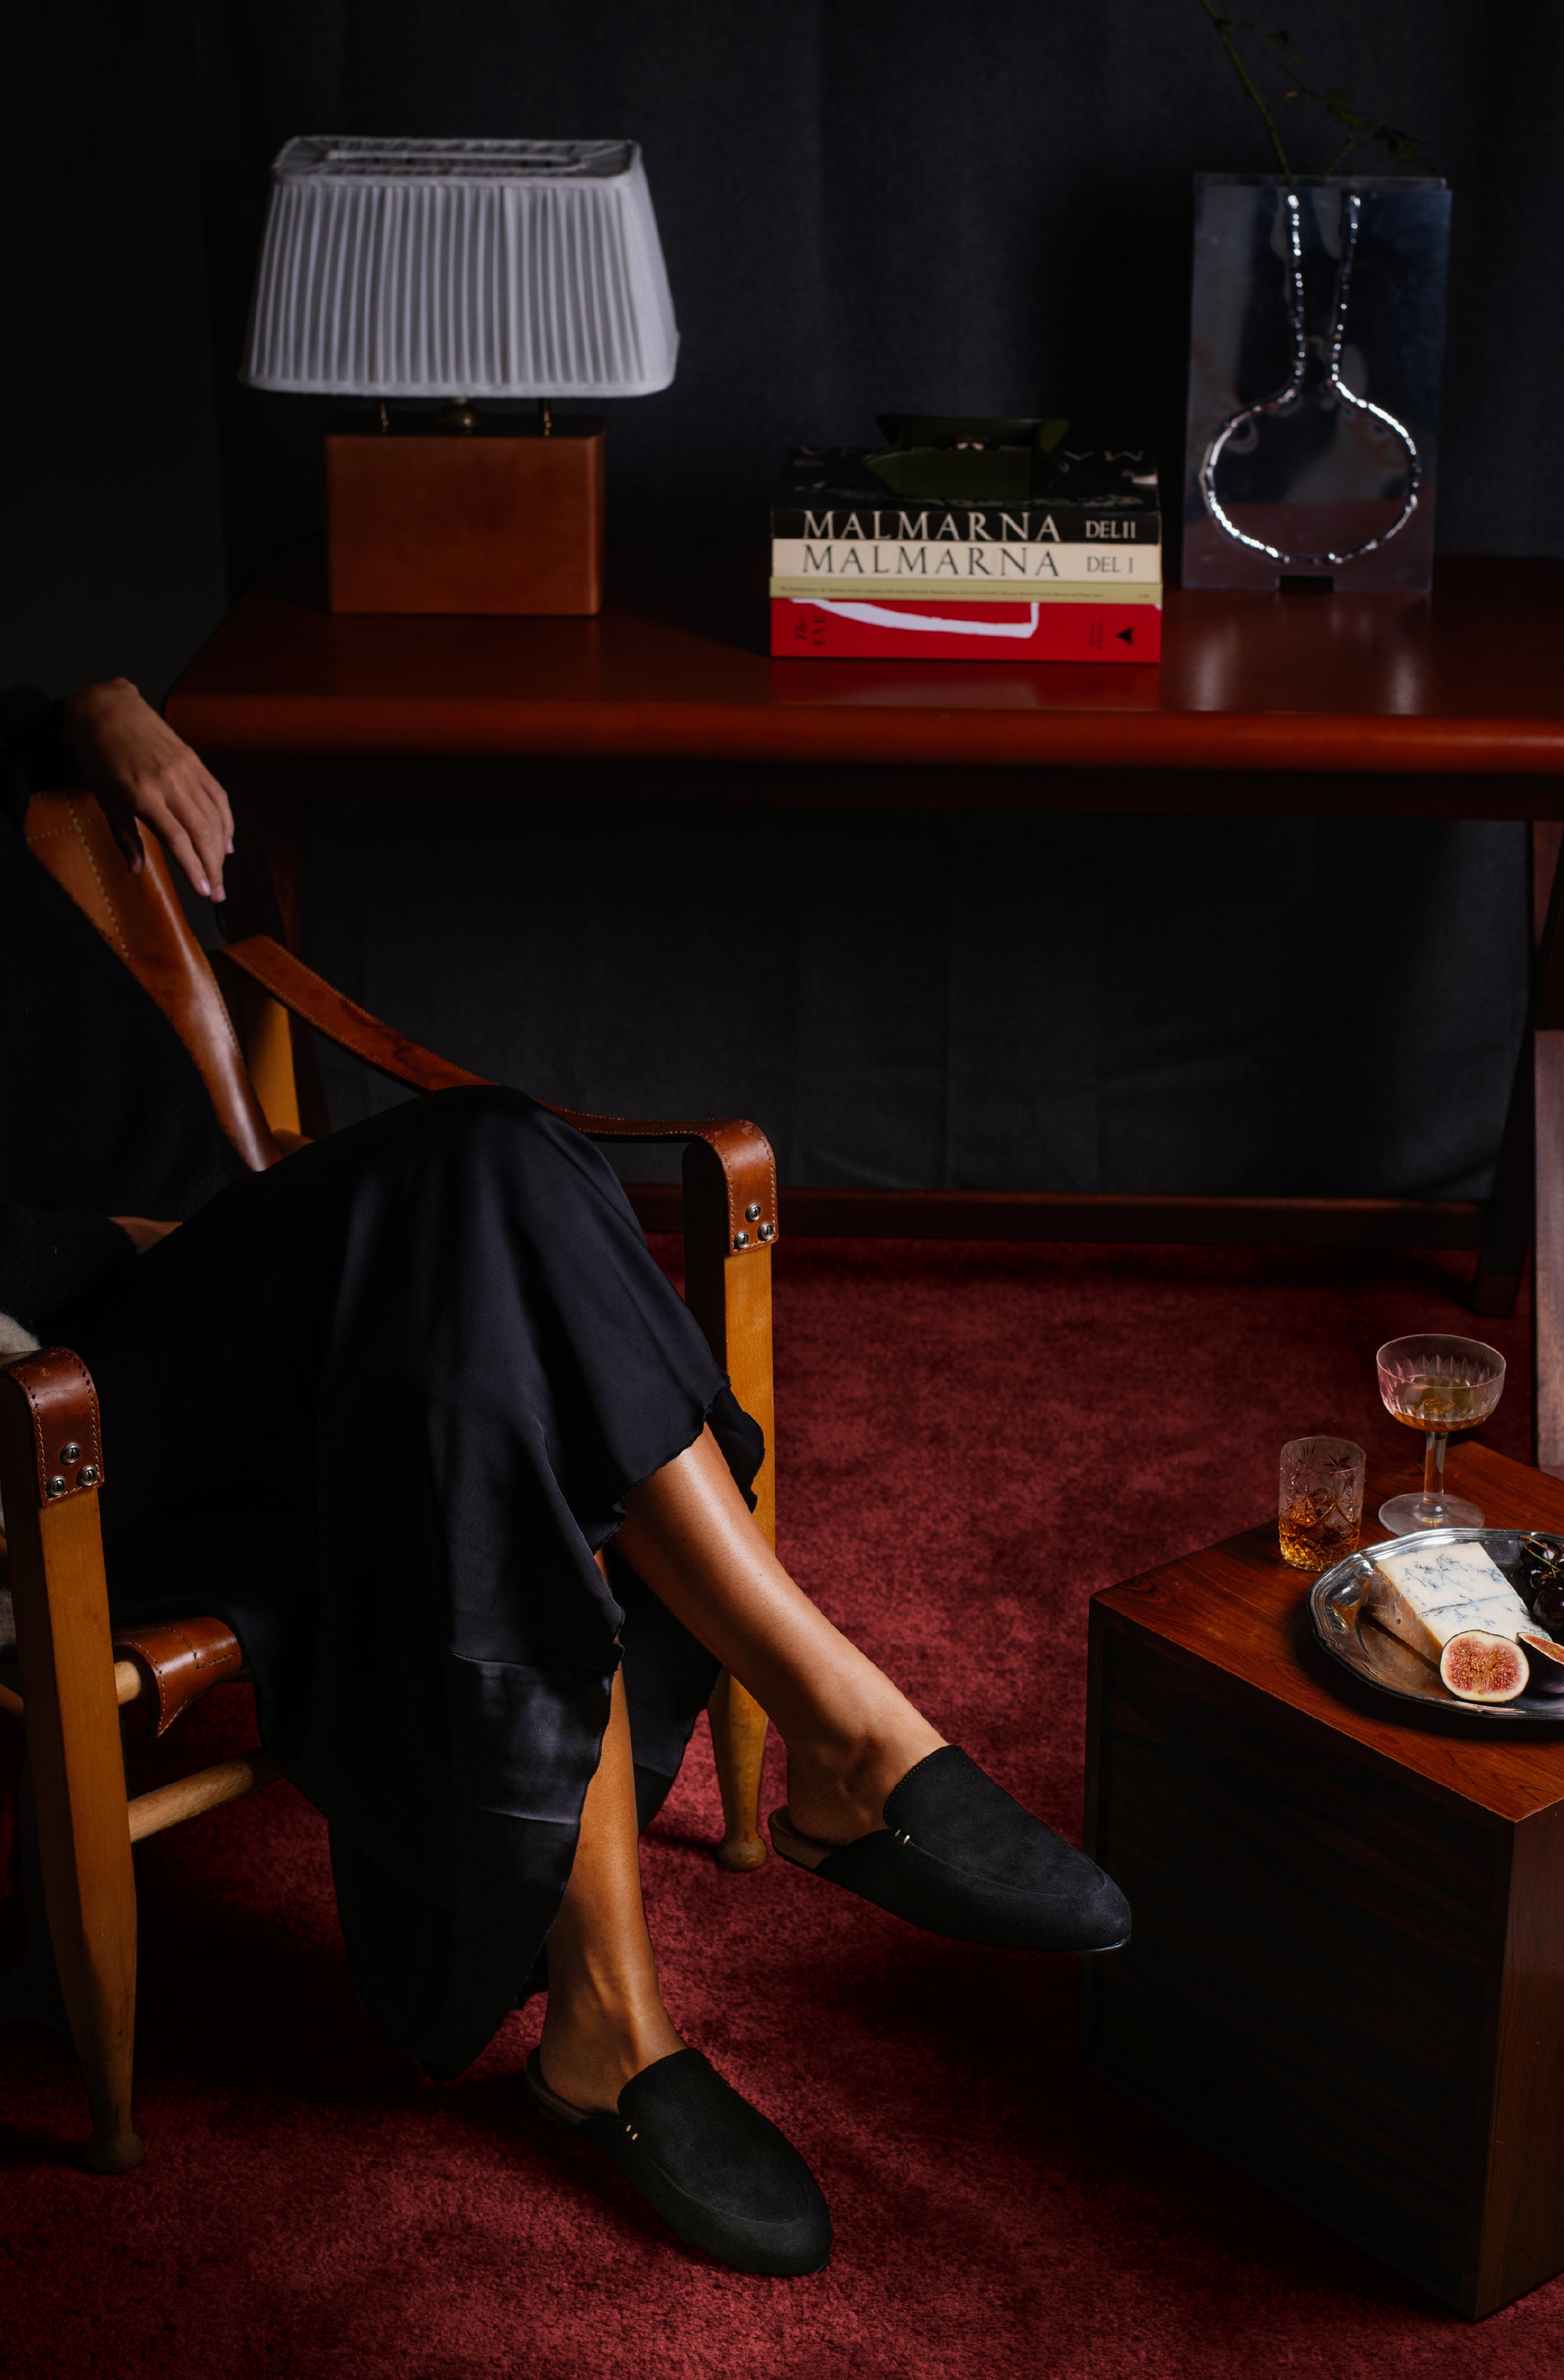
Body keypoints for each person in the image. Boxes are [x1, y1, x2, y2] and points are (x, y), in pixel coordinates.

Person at [0, 679, 1129, 2276]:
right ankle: (841, 1728)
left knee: (490, 1256)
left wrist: (96, 710)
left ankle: (614, 2025)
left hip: (246, 1296)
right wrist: (183, 1250)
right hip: (67, 1395)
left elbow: (20, 720)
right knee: (475, 1180)